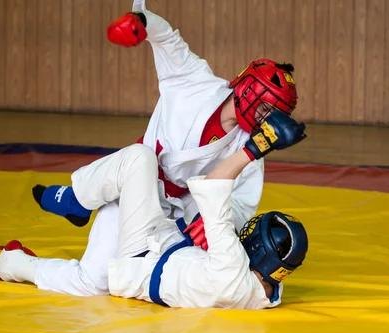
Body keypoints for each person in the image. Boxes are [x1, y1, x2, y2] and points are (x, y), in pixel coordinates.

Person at [30, 5, 299, 295]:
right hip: (133, 185)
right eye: (264, 106)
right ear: (247, 86)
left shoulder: (249, 151)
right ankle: (73, 204)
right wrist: (141, 22)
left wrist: (211, 224)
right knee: (140, 159)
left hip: (174, 217)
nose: (264, 117)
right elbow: (168, 39)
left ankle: (28, 250)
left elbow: (242, 204)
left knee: (99, 284)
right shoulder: (194, 80)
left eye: (273, 114)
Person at [0, 110, 309, 309]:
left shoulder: (231, 269)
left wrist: (259, 145)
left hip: (139, 257)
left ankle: (25, 249)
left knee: (88, 280)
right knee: (145, 162)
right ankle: (73, 206)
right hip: (164, 239)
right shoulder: (268, 289)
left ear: (258, 252)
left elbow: (216, 184)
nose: (244, 235)